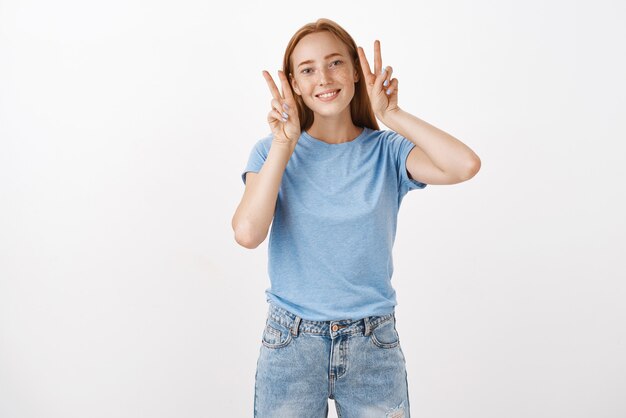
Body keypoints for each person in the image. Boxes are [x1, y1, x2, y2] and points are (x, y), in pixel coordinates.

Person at [231, 17, 481, 418]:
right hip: (291, 341)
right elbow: (247, 233)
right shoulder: (271, 151)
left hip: (372, 342)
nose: (324, 78)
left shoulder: (388, 151)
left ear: (354, 71)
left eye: (335, 63)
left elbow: (464, 165)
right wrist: (284, 142)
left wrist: (393, 113)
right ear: (294, 83)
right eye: (308, 70)